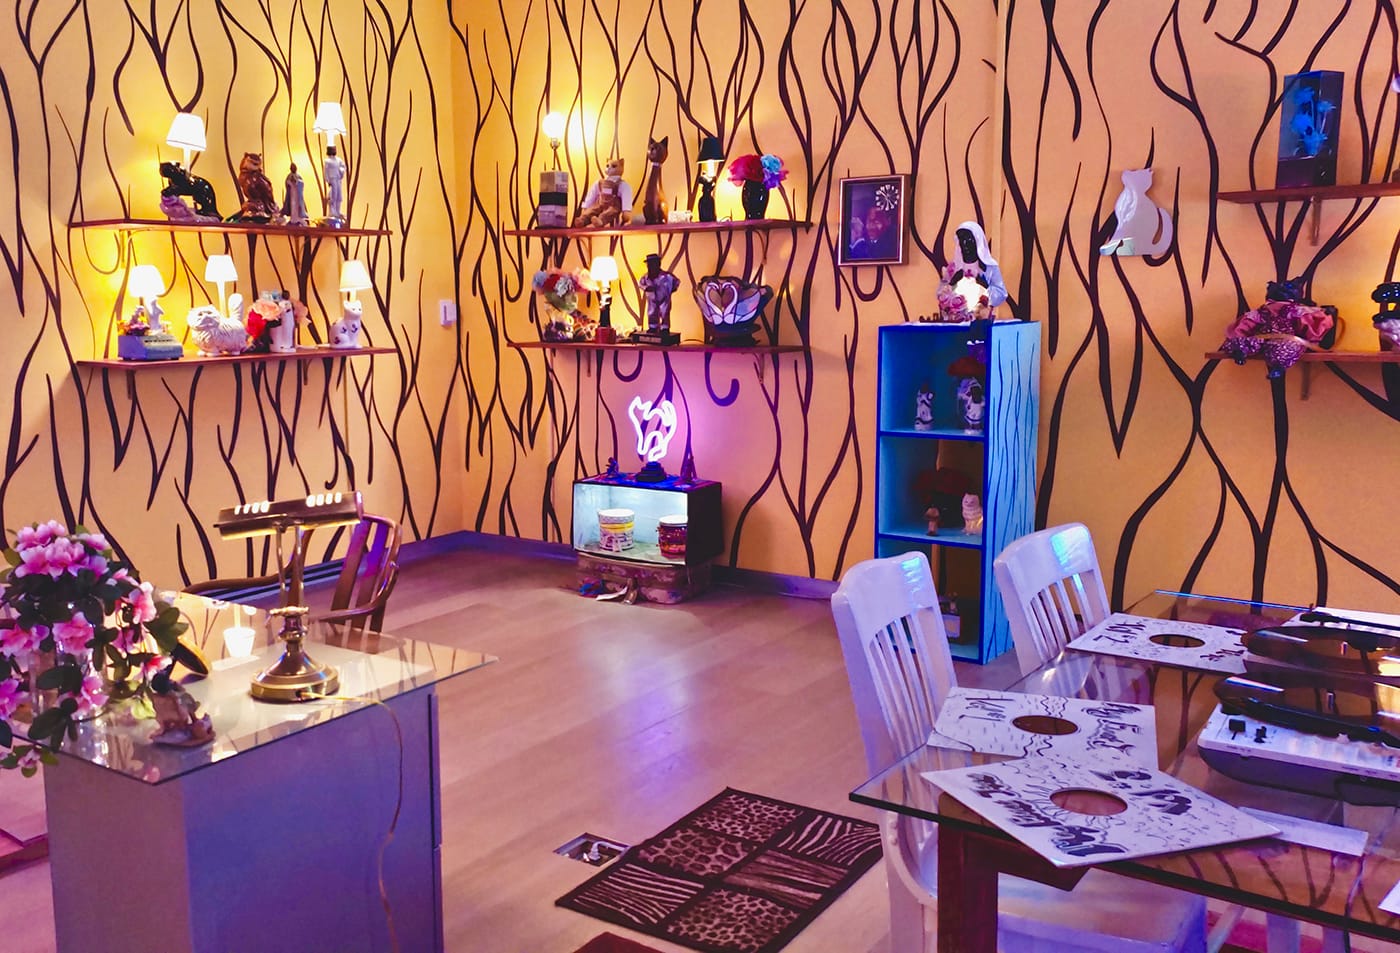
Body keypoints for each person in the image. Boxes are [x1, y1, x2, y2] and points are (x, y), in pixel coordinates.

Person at [323, 145, 347, 224]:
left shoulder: (339, 160)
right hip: (332, 178)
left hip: (338, 179)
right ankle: (332, 212)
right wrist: (328, 180)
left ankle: (337, 211)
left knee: (339, 196)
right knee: (333, 195)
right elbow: (325, 171)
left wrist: (341, 171)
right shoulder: (327, 161)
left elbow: (343, 167)